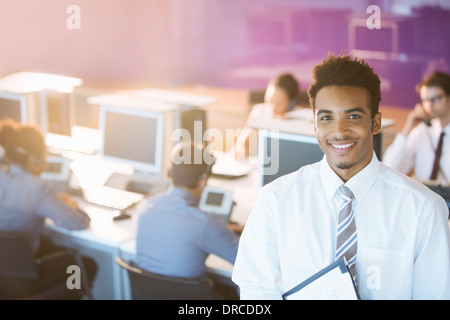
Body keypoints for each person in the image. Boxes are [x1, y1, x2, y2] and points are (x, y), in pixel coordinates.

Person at [231, 53, 450, 300]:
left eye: (353, 116)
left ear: (375, 123)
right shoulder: (275, 201)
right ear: (314, 125)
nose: (339, 131)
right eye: (326, 118)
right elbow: (256, 289)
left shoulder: (424, 209)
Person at [0, 118, 97, 299]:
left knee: (52, 246)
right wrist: (72, 206)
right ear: (35, 157)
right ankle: (73, 292)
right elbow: (78, 223)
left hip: (3, 281)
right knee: (81, 265)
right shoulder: (36, 188)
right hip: (25, 282)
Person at [135, 141, 242, 299]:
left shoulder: (145, 208)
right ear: (203, 180)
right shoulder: (205, 223)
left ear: (171, 174)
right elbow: (244, 260)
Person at [383, 71, 450, 185]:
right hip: (423, 197)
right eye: (425, 100)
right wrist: (408, 126)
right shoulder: (422, 130)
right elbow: (389, 169)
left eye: (435, 98)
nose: (429, 105)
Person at [234, 73, 307, 161]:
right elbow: (240, 145)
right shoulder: (259, 111)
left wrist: (288, 123)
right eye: (270, 100)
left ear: (291, 103)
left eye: (280, 103)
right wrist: (242, 150)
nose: (273, 108)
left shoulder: (301, 118)